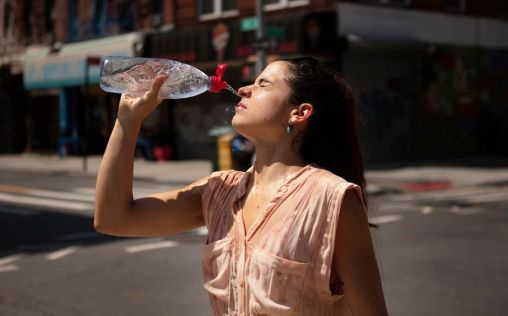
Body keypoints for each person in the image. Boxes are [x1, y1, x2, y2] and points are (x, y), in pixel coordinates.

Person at [94, 57, 388, 315]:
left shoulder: (332, 198)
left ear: (299, 113)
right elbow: (113, 219)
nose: (245, 88)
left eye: (263, 83)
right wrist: (127, 121)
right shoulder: (218, 191)